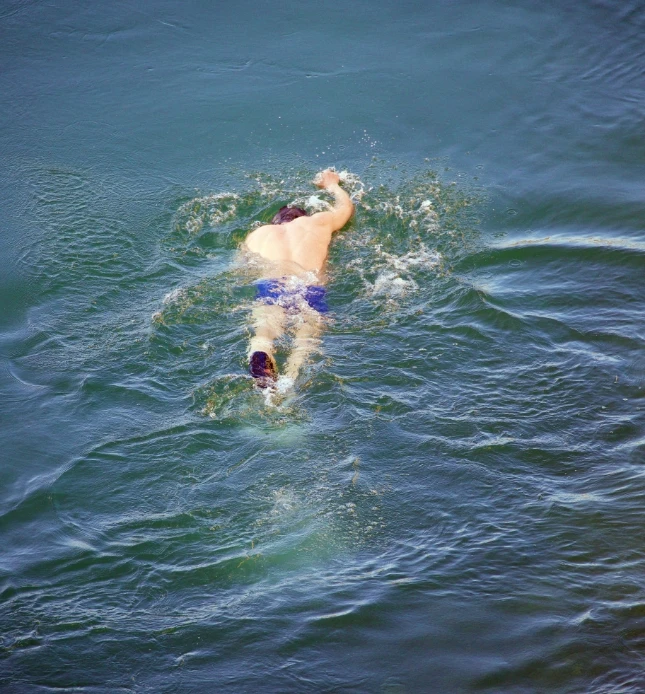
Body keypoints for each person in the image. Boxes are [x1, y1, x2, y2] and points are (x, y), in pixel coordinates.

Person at [243, 169, 354, 388]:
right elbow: (346, 209)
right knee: (303, 345)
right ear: (302, 217)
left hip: (271, 287)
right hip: (308, 287)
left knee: (264, 331)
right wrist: (333, 185)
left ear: (276, 222)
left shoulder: (257, 236)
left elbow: (242, 270)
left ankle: (261, 352)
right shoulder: (317, 223)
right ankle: (290, 385)